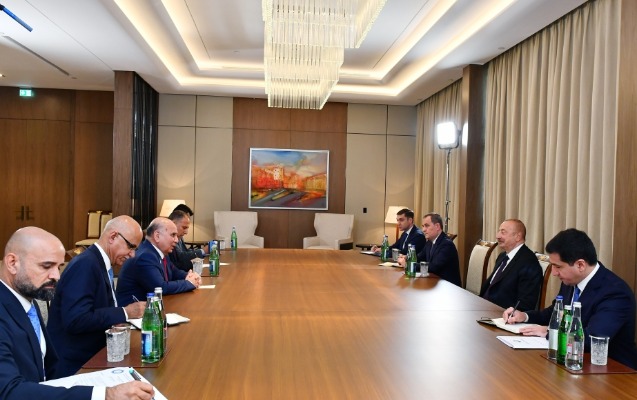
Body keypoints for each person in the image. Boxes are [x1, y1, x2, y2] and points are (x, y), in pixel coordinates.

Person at [0, 227, 154, 400]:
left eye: (59, 267)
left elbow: (43, 369)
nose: (56, 276)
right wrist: (104, 395)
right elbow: (8, 391)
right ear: (12, 263)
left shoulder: (28, 298)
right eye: (46, 266)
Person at [504, 228, 637, 369]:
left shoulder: (615, 293)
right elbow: (554, 313)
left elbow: (591, 339)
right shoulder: (571, 281)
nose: (554, 273)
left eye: (557, 266)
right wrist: (524, 316)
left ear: (580, 265)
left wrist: (550, 332)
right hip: (572, 362)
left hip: (612, 371)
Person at [47, 216, 146, 376]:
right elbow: (76, 320)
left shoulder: (99, 262)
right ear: (113, 237)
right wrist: (125, 312)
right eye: (131, 247)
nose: (132, 255)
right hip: (76, 365)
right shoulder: (85, 264)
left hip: (97, 353)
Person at [116, 217, 201, 307]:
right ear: (157, 236)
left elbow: (174, 272)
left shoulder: (160, 252)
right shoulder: (145, 256)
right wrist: (189, 283)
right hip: (135, 312)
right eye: (173, 235)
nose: (176, 240)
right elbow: (160, 288)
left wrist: (190, 276)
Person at [479, 219, 542, 311]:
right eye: (499, 231)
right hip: (483, 306)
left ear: (517, 237)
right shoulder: (502, 256)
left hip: (501, 314)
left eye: (503, 232)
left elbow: (525, 304)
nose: (497, 236)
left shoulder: (529, 263)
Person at [400, 213, 461, 286]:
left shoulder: (447, 244)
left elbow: (433, 267)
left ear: (437, 226)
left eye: (427, 226)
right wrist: (407, 258)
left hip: (448, 287)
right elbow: (419, 257)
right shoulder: (429, 242)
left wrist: (409, 265)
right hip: (434, 284)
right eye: (423, 226)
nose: (423, 230)